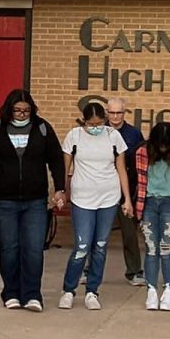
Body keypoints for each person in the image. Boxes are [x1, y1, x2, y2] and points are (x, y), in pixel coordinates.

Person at [0, 89, 66, 312]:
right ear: (9, 109)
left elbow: (56, 160)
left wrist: (60, 189)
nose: (22, 114)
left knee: (34, 249)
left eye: (26, 110)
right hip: (3, 201)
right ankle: (11, 292)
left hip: (35, 201)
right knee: (9, 248)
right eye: (17, 110)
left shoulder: (43, 129)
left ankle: (33, 294)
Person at [59, 101, 133, 310]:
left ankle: (92, 290)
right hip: (82, 198)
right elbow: (65, 168)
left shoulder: (113, 136)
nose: (95, 127)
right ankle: (68, 289)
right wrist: (61, 192)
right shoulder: (74, 136)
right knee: (82, 246)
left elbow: (121, 169)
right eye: (91, 124)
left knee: (100, 246)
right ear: (84, 121)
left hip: (109, 197)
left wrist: (127, 199)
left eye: (99, 123)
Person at [134, 120, 170, 311]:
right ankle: (151, 290)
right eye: (161, 143)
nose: (164, 147)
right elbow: (139, 182)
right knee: (151, 249)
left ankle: (168, 290)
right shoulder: (142, 152)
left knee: (166, 250)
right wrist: (136, 208)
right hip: (148, 203)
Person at [106, 98, 146, 287]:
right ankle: (88, 271)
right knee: (96, 234)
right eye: (112, 112)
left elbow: (141, 162)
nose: (115, 117)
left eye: (119, 113)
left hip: (126, 190)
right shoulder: (98, 130)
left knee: (130, 233)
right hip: (102, 188)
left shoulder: (134, 134)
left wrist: (136, 190)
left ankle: (135, 272)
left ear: (124, 113)